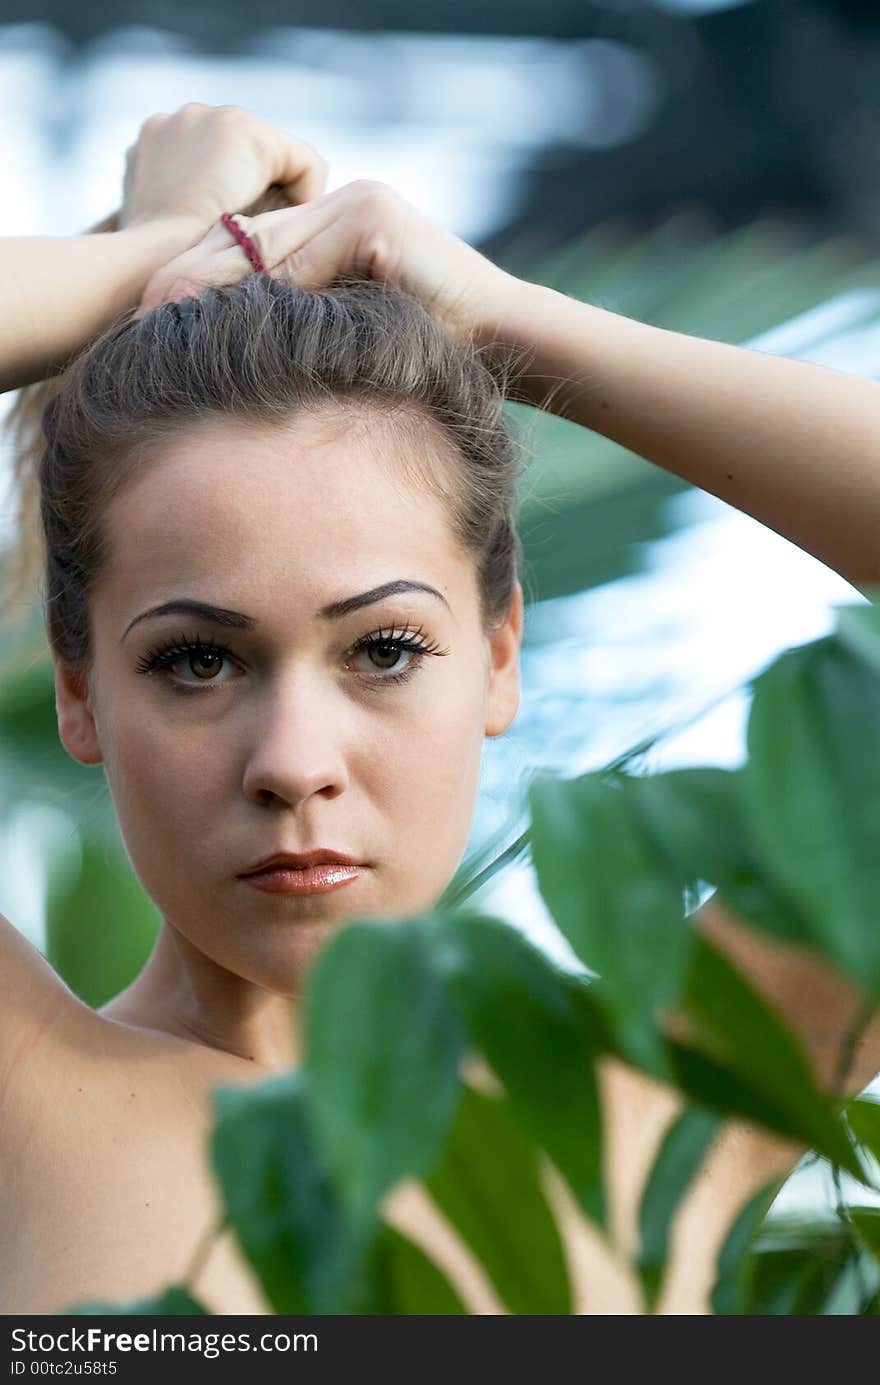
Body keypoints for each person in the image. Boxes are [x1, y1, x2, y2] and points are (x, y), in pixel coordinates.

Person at [1, 103, 878, 1317]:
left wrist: (506, 315)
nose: (294, 763)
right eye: (198, 660)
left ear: (501, 654)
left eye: (385, 647)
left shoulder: (664, 1102)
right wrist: (152, 251)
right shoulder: (23, 1100)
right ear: (82, 688)